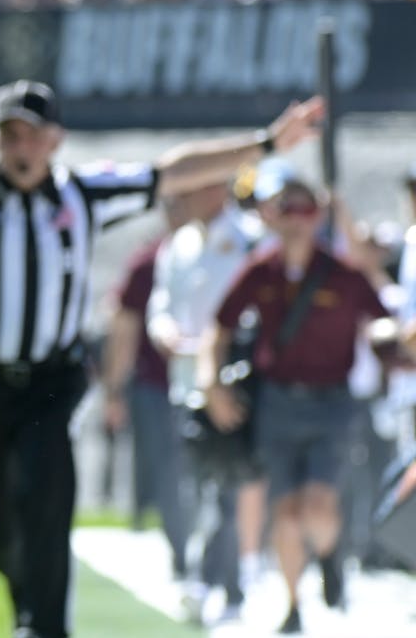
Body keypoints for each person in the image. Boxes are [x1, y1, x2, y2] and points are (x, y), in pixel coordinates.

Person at [0, 79, 323, 638]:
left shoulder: (83, 193)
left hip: (51, 383)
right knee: (4, 525)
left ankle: (42, 628)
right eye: (10, 135)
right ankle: (14, 568)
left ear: (56, 140)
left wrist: (264, 145)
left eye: (32, 136)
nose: (21, 148)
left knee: (47, 498)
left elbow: (172, 171)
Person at [202, 163, 389, 634]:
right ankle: (292, 603)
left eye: (305, 208)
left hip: (332, 404)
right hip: (278, 403)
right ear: (271, 215)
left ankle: (328, 554)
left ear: (318, 214)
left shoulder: (344, 273)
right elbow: (220, 326)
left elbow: (383, 315)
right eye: (286, 208)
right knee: (284, 511)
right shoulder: (259, 270)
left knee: (318, 505)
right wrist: (213, 383)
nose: (295, 218)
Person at [147, 178, 268, 624]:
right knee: (200, 485)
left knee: (226, 487)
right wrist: (166, 333)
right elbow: (161, 305)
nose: (181, 198)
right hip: (184, 382)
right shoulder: (177, 243)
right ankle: (220, 582)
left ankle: (211, 580)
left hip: (232, 380)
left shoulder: (248, 238)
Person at [98, 191, 193, 583]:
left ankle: (197, 552)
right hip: (157, 385)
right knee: (172, 471)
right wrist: (115, 391)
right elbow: (125, 332)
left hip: (198, 384)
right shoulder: (148, 263)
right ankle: (183, 552)